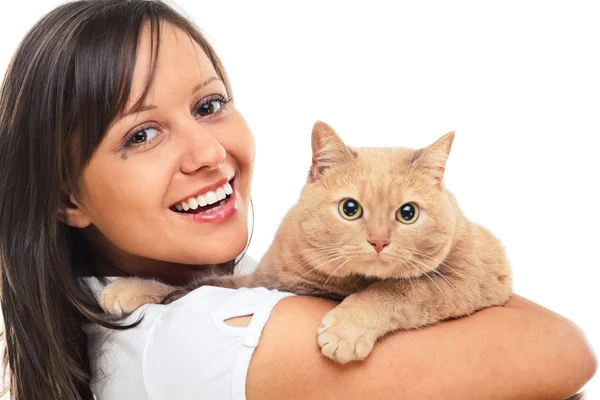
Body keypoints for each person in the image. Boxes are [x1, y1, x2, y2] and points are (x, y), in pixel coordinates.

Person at [0, 1, 596, 399]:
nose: (207, 152)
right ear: (65, 198)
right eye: (141, 134)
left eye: (209, 106)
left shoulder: (123, 313)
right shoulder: (196, 340)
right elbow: (563, 349)